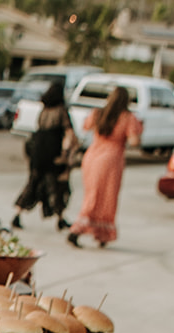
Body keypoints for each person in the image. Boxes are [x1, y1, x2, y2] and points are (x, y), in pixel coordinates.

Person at [67, 86, 143, 248]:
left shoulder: (98, 113)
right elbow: (134, 141)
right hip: (111, 160)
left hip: (92, 156)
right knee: (106, 198)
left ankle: (99, 234)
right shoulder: (128, 117)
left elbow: (85, 127)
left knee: (93, 195)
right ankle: (79, 230)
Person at [11, 82, 76, 231]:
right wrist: (67, 154)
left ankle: (17, 213)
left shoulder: (44, 110)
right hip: (53, 153)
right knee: (57, 185)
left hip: (38, 152)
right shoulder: (62, 111)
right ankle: (60, 217)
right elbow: (69, 133)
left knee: (33, 182)